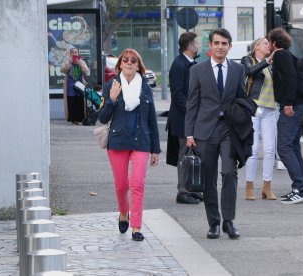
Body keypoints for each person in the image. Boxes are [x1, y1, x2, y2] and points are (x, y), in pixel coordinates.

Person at [185, 28, 246, 239]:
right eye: (217, 43)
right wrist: (189, 133)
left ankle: (229, 221)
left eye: (224, 43)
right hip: (204, 130)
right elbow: (192, 102)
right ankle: (214, 223)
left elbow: (241, 99)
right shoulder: (197, 70)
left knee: (229, 173)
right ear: (210, 46)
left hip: (229, 129)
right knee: (208, 178)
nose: (220, 47)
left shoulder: (238, 70)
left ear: (229, 46)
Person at [98, 48, 161, 241]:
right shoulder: (111, 85)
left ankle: (136, 227)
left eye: (133, 60)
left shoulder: (145, 87)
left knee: (137, 184)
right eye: (125, 60)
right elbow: (102, 118)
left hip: (141, 141)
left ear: (138, 66)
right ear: (119, 65)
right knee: (121, 185)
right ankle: (123, 212)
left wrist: (155, 149)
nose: (129, 63)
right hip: (118, 142)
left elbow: (152, 120)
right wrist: (112, 99)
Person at [267, 27, 303, 204]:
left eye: (269, 41)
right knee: (293, 146)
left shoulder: (280, 55)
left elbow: (291, 78)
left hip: (291, 108)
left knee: (284, 148)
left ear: (274, 43)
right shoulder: (288, 55)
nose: (268, 44)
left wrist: (288, 103)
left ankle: (300, 188)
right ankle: (301, 187)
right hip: (299, 107)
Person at [166, 32, 203, 205]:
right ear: (190, 46)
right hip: (182, 119)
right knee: (184, 155)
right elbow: (177, 94)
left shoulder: (189, 63)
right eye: (197, 42)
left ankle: (191, 188)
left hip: (190, 118)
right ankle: (183, 191)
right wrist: (191, 111)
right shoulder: (179, 65)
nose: (199, 44)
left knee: (192, 153)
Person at [241, 38, 278, 201]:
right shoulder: (248, 59)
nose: (268, 45)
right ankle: (249, 186)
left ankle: (267, 186)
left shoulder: (272, 64)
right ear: (256, 46)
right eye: (264, 43)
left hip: (270, 109)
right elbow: (250, 72)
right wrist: (266, 61)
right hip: (254, 107)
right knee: (254, 149)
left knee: (270, 150)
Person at [61, 47, 90, 125]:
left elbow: (87, 72)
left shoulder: (82, 62)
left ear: (78, 53)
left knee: (80, 100)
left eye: (75, 52)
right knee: (71, 100)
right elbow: (63, 71)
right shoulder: (67, 62)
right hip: (70, 84)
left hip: (80, 83)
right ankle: (73, 119)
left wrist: (79, 64)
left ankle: (80, 118)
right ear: (70, 54)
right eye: (72, 52)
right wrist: (69, 63)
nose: (74, 54)